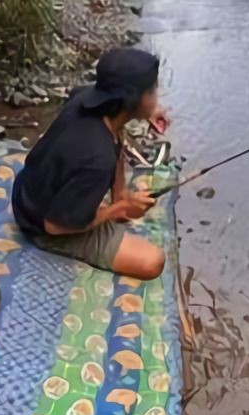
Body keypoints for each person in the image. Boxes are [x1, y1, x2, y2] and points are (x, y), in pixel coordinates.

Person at [11, 47, 166, 280]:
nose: (156, 96)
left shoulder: (86, 98)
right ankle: (115, 203)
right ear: (131, 100)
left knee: (109, 172)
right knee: (152, 262)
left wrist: (147, 112)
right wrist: (118, 210)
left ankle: (118, 195)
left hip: (26, 191)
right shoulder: (97, 160)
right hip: (41, 226)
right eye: (152, 91)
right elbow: (54, 225)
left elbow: (118, 118)